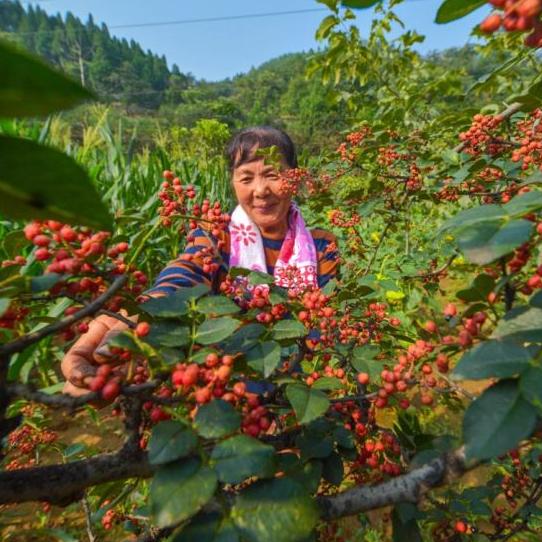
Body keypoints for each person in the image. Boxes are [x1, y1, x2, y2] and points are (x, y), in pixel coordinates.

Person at [61, 126, 339, 397]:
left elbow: (326, 319)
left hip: (302, 387)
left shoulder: (321, 245)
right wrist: (152, 307)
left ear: (294, 177)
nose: (260, 190)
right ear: (233, 183)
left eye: (272, 174)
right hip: (230, 390)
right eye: (246, 178)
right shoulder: (215, 235)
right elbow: (187, 272)